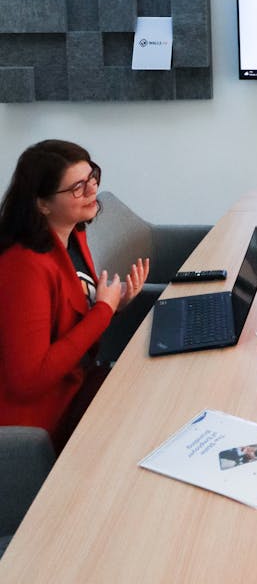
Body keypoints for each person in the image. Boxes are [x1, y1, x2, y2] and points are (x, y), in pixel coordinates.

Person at [0, 140, 149, 451]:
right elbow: (27, 380)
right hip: (44, 420)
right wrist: (102, 312)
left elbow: (67, 321)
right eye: (77, 188)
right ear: (42, 204)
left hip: (79, 382)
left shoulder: (73, 235)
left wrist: (114, 304)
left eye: (92, 177)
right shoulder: (24, 267)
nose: (93, 190)